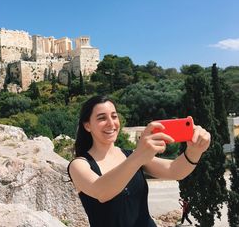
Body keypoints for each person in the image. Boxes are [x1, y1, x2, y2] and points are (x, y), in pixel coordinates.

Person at [67, 95, 211, 227]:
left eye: (114, 116)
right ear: (87, 125)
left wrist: (195, 150)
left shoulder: (132, 156)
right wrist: (140, 155)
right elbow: (102, 192)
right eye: (101, 118)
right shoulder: (79, 165)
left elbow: (174, 170)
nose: (111, 123)